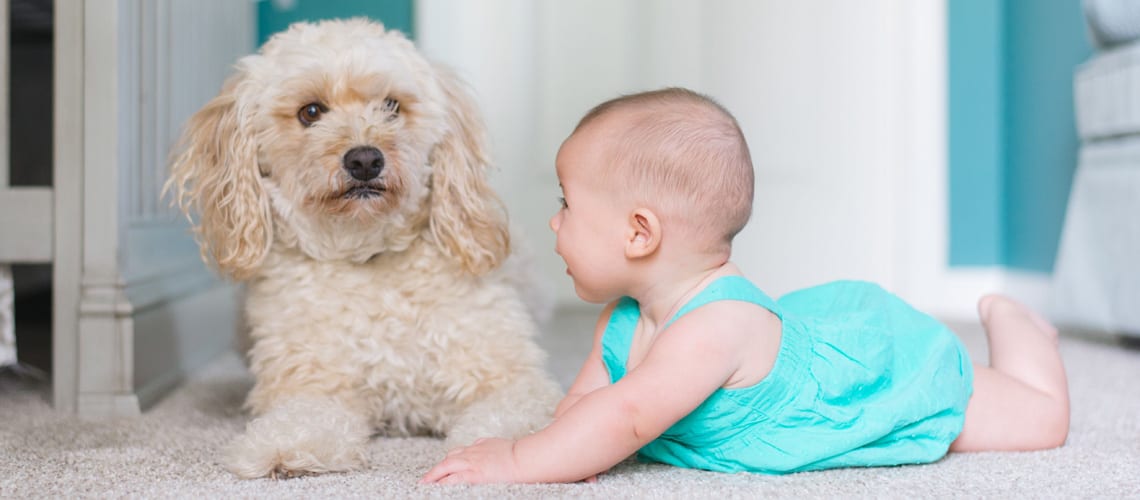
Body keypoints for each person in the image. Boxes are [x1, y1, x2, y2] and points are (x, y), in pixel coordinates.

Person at [420, 87, 1070, 484]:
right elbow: (587, 410)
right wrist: (559, 450)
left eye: (568, 206)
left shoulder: (713, 329)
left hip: (872, 372)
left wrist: (517, 462)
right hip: (798, 336)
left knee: (1041, 421)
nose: (554, 222)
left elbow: (625, 416)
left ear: (639, 234)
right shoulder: (622, 319)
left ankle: (1014, 322)